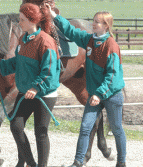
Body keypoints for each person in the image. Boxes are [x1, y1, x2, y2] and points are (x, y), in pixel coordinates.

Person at [0, 3, 61, 167]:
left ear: (31, 20)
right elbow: (18, 62)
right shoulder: (23, 40)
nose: (19, 22)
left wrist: (36, 87)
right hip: (26, 92)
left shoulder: (45, 42)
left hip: (44, 94)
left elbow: (48, 70)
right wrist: (0, 66)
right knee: (16, 126)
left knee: (40, 133)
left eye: (21, 20)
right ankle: (31, 164)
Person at [52, 12, 126, 167]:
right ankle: (78, 162)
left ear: (106, 26)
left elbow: (112, 74)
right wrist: (54, 15)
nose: (93, 24)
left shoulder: (111, 45)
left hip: (111, 95)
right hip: (95, 95)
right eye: (93, 21)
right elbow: (72, 32)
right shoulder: (90, 40)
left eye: (97, 22)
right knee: (86, 126)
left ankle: (121, 162)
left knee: (117, 129)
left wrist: (99, 94)